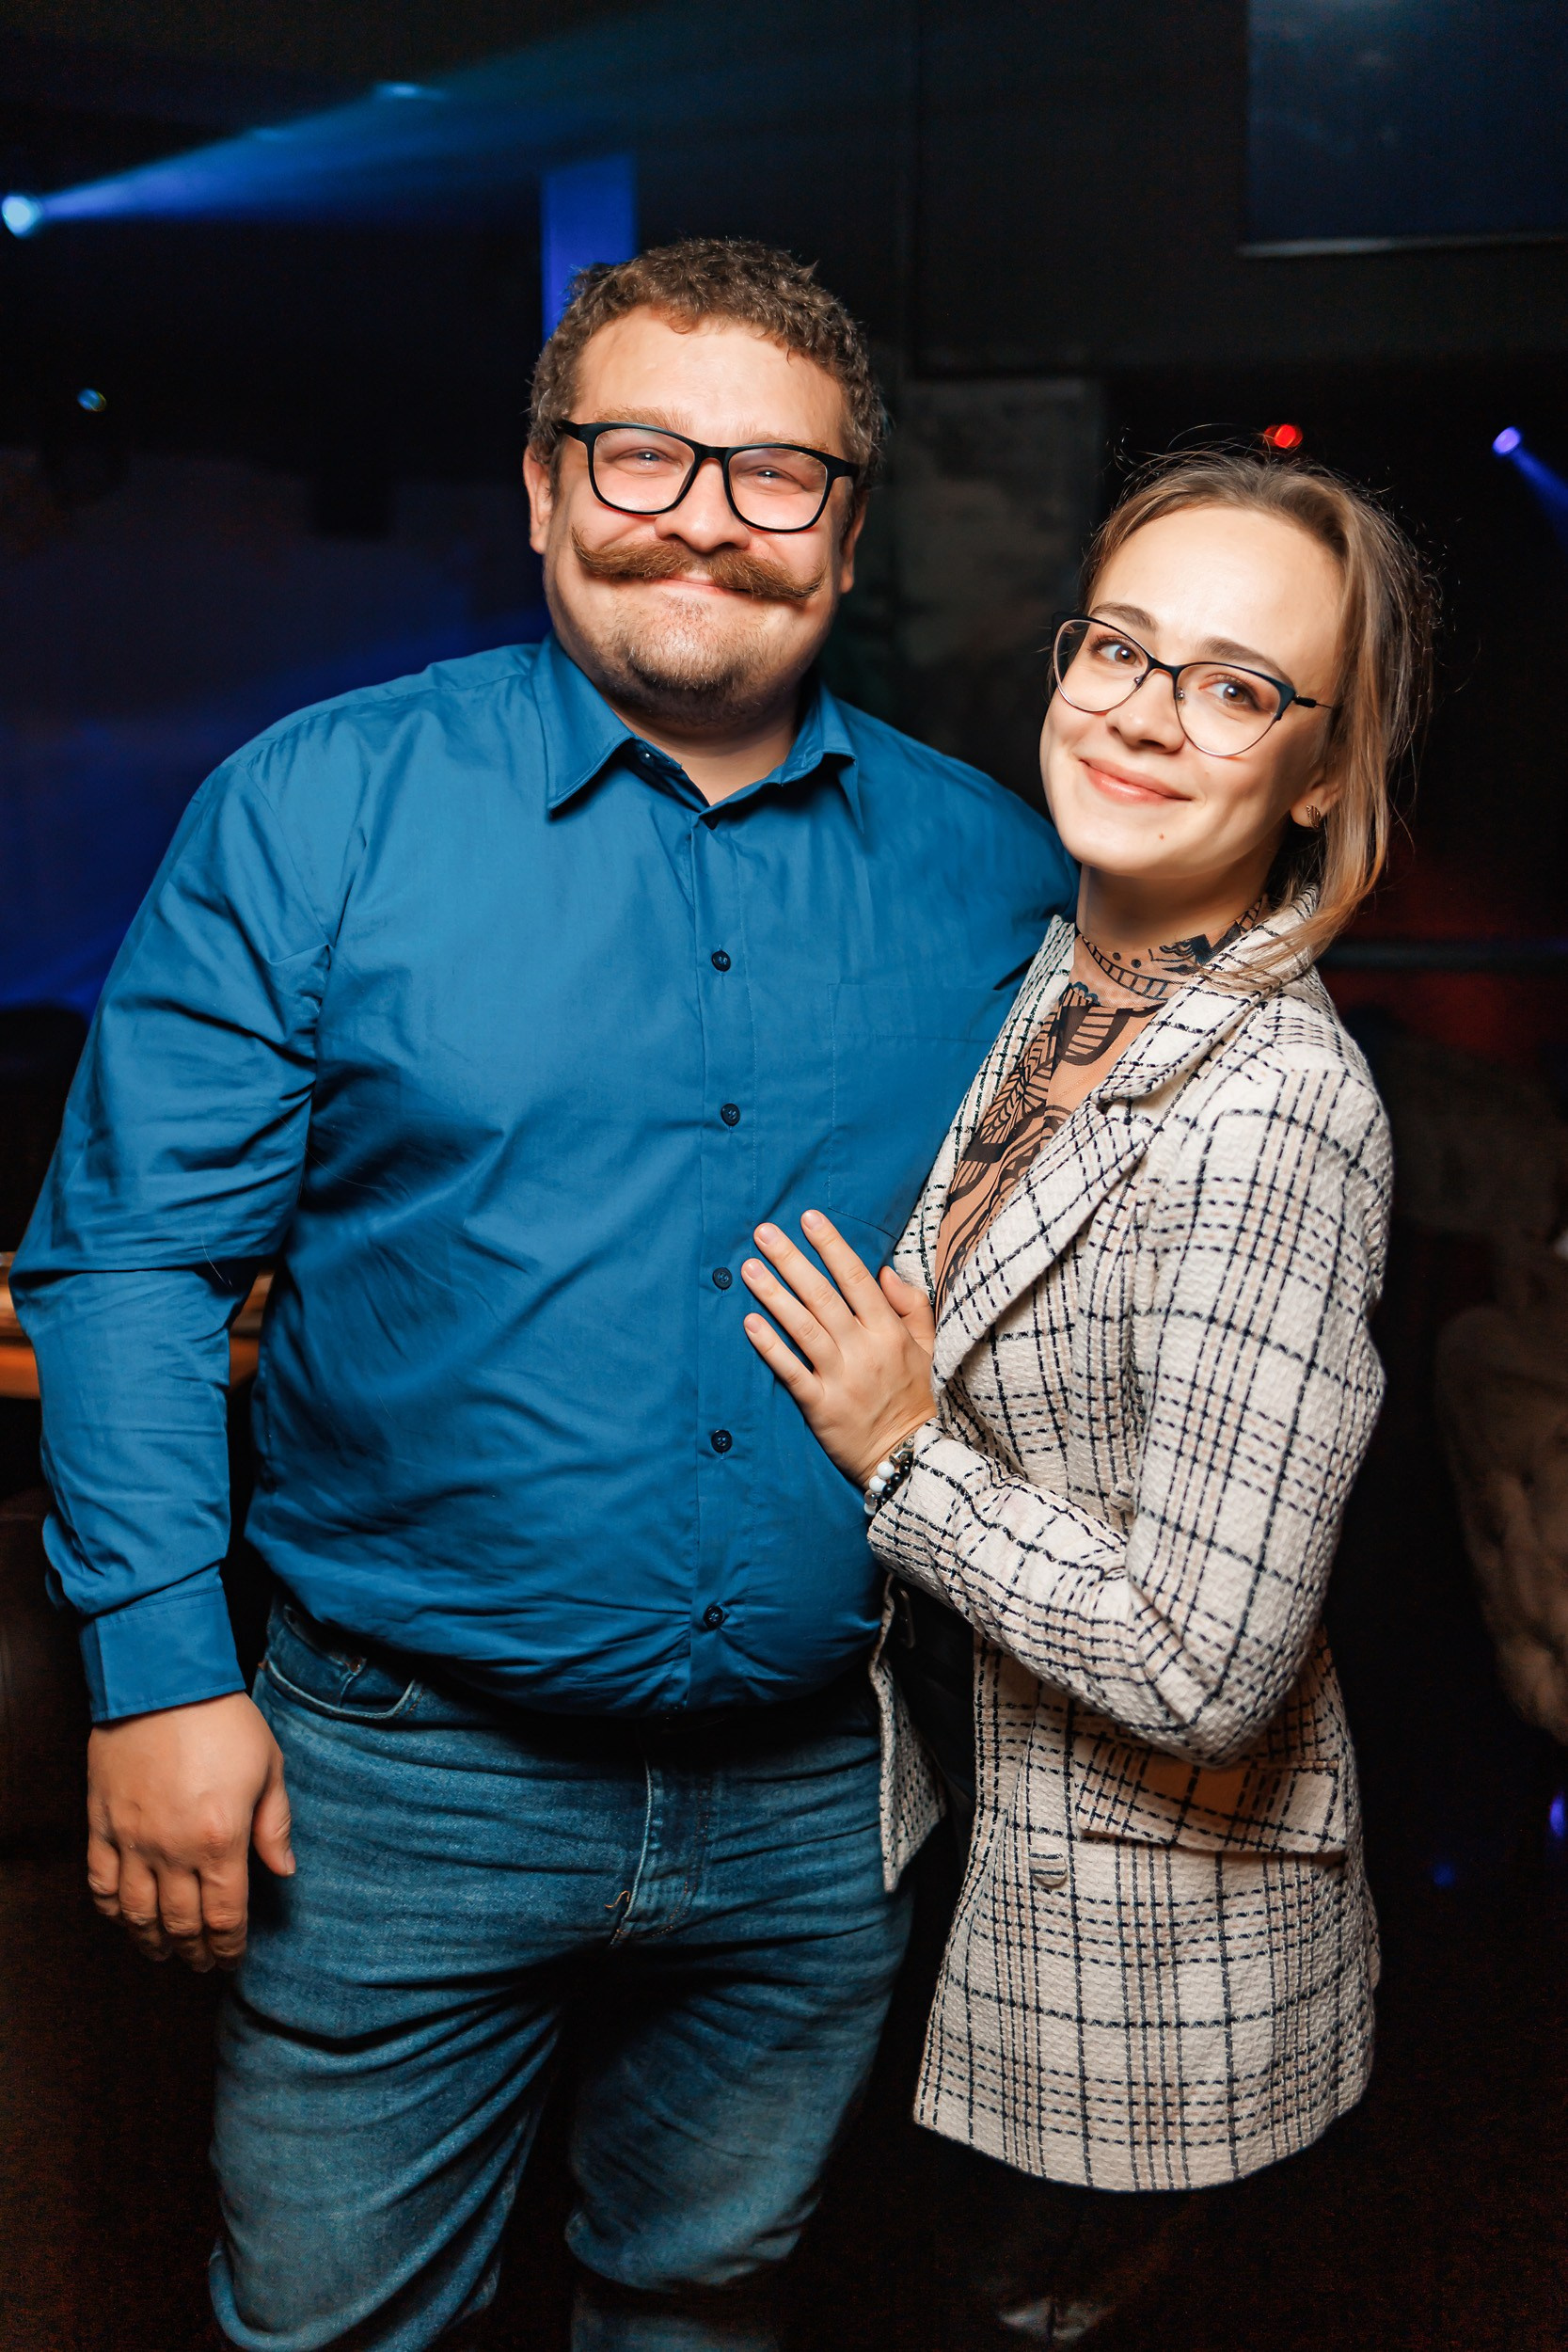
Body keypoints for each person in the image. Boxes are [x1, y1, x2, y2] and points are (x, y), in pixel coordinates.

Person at [11, 239, 1075, 2352]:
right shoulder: (317, 810)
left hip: (826, 1786)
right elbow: (134, 1259)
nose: (704, 516)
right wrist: (156, 1674)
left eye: (775, 472)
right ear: (540, 483)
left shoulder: (999, 872)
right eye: (641, 452)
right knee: (333, 2325)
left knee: (707, 2298)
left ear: (847, 521)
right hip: (395, 1781)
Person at [739, 449, 1435, 2343]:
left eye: (1236, 685)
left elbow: (1211, 1663)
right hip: (959, 1868)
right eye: (1120, 646)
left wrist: (903, 1452)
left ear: (1320, 771)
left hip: (1132, 1960)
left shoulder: (1277, 1104)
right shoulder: (1061, 978)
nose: (1142, 711)